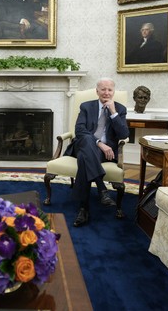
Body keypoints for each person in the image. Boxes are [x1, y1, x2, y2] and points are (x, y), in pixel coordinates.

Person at [64, 78, 129, 227]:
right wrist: (100, 144)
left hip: (100, 153)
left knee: (83, 158)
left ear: (113, 92)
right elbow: (79, 131)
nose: (106, 92)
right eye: (103, 89)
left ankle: (83, 209)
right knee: (87, 140)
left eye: (109, 90)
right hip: (87, 145)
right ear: (97, 91)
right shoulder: (86, 106)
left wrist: (113, 113)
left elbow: (124, 134)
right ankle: (102, 188)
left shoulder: (120, 109)